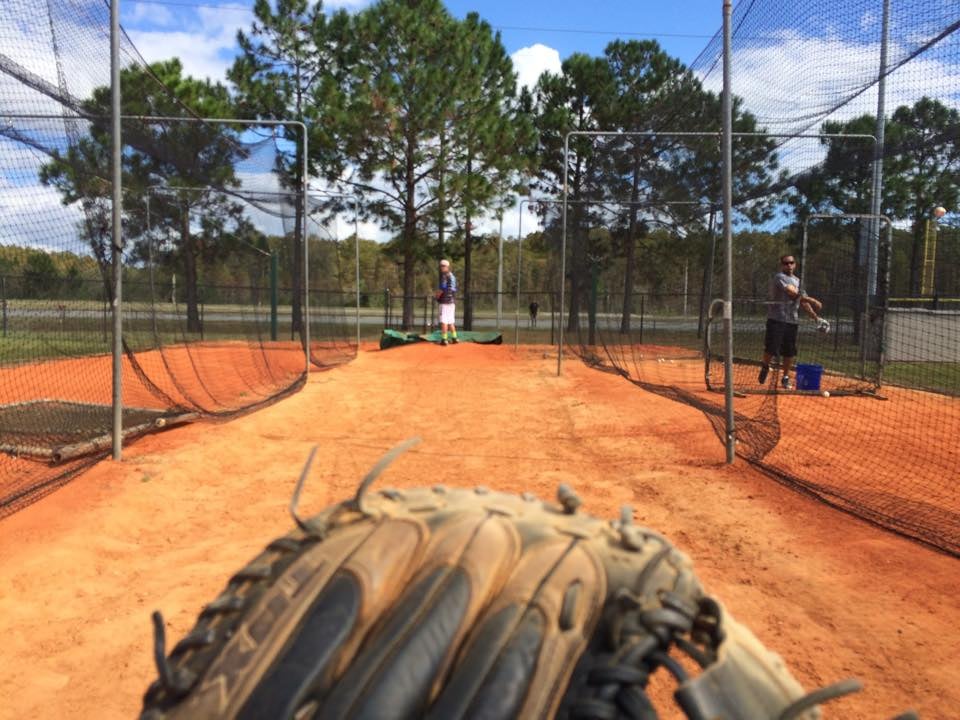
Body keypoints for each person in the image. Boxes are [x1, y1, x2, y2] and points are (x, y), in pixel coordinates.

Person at [758, 254, 830, 389]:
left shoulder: (798, 281)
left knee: (789, 351)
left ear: (795, 264)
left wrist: (815, 317)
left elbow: (803, 302)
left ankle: (785, 377)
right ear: (782, 265)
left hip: (792, 321)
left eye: (791, 263)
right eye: (786, 263)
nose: (789, 265)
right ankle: (765, 366)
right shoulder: (779, 277)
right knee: (771, 348)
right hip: (776, 319)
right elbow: (792, 293)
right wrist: (813, 300)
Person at [436, 258, 459, 346]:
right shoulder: (452, 276)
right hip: (452, 302)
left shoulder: (445, 276)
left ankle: (444, 339)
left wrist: (437, 296)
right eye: (441, 266)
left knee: (444, 321)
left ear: (447, 267)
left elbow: (442, 289)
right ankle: (454, 338)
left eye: (443, 266)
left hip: (445, 302)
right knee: (450, 321)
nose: (442, 268)